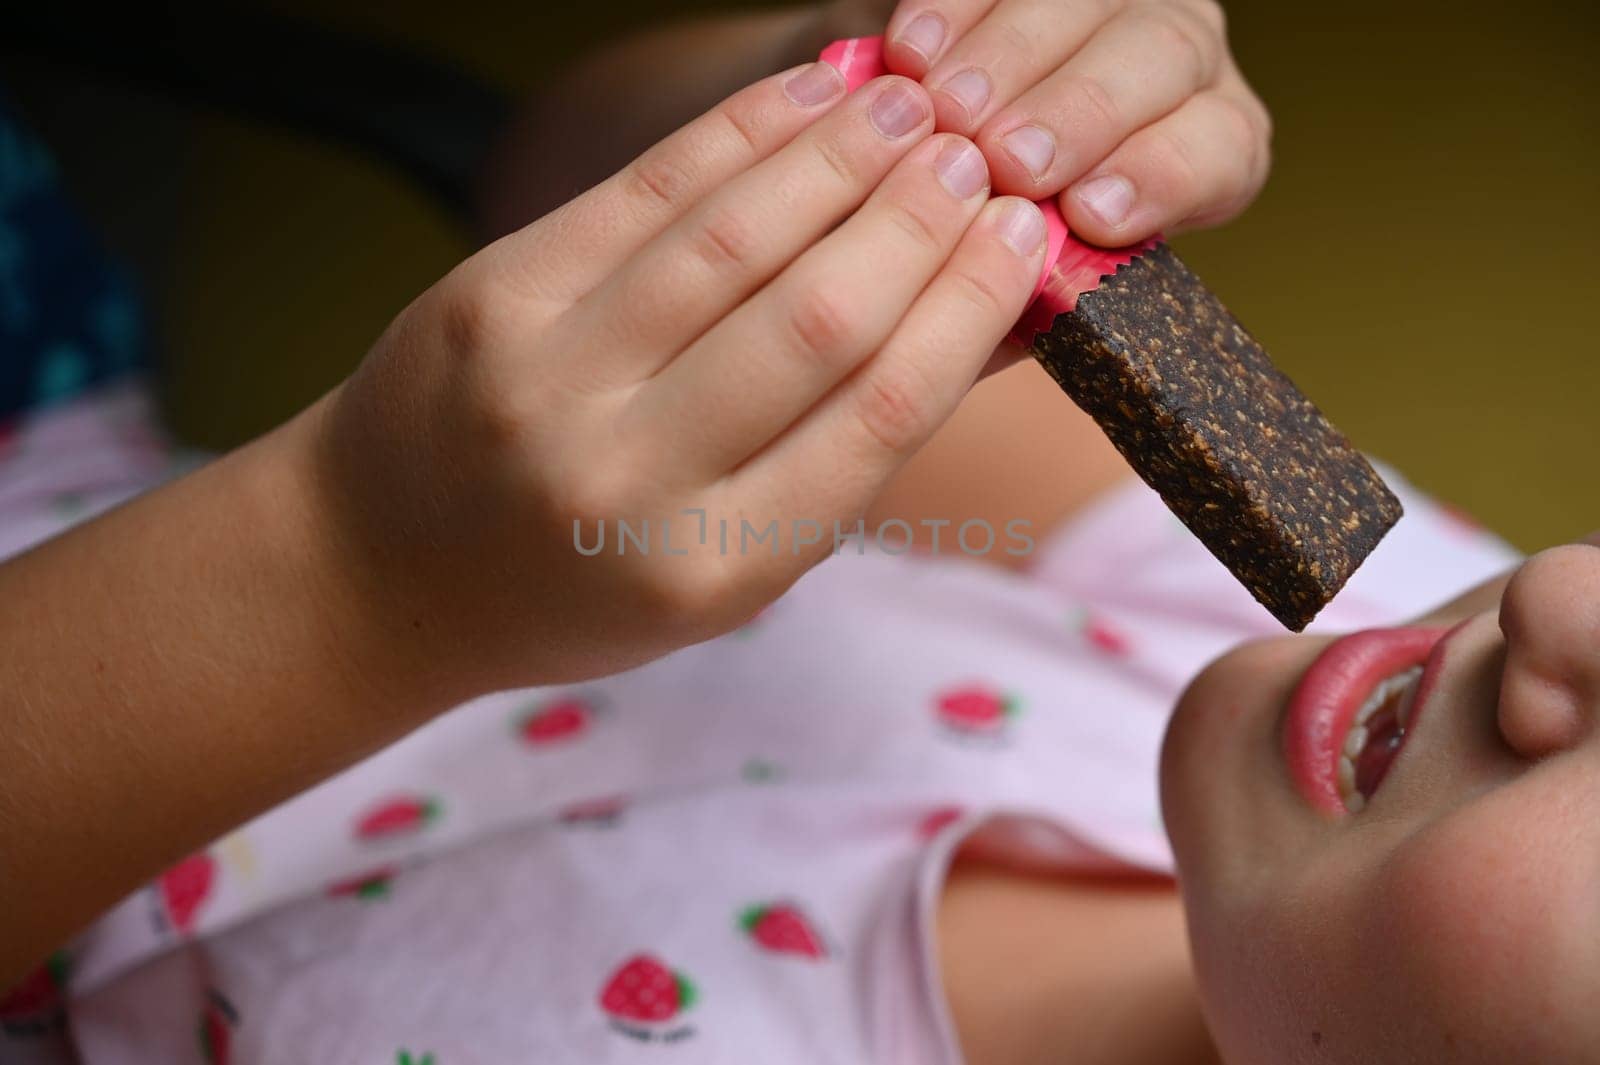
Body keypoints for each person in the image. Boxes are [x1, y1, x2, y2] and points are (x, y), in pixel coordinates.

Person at [0, 1, 1556, 1062]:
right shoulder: (1385, 620)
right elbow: (549, 181)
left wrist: (347, 577)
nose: (1576, 598)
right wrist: (874, 98)